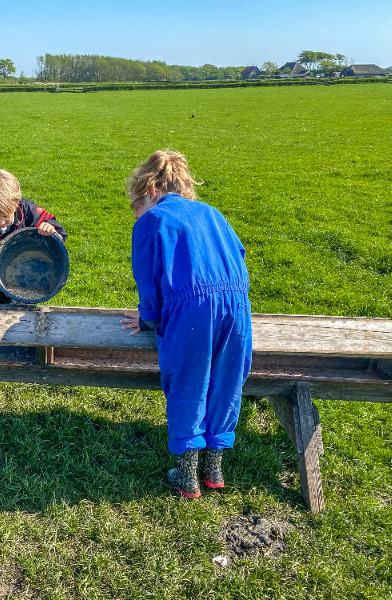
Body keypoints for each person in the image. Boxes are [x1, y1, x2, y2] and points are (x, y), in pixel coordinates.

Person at [120, 150, 252, 498]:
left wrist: (148, 318)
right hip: (237, 305)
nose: (137, 213)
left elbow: (149, 282)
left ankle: (187, 473)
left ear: (148, 191)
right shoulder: (212, 213)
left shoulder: (153, 220)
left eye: (135, 206)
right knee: (226, 380)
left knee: (188, 381)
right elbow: (239, 257)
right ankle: (215, 468)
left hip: (192, 308)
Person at [0, 168, 67, 408]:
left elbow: (56, 227)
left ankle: (23, 356)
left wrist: (51, 229)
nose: (0, 222)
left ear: (16, 204)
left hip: (24, 281)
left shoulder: (27, 210)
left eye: (5, 216)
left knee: (21, 322)